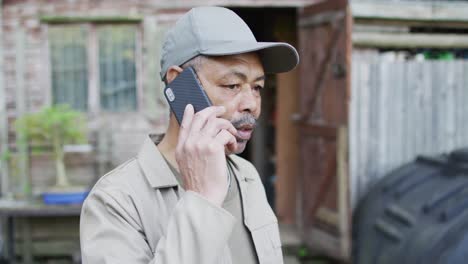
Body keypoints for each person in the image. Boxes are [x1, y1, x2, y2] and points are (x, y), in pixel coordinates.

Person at [80, 6, 299, 264]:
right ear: (179, 84)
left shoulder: (246, 175)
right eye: (232, 85)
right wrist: (201, 201)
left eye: (257, 87)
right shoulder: (116, 200)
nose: (251, 103)